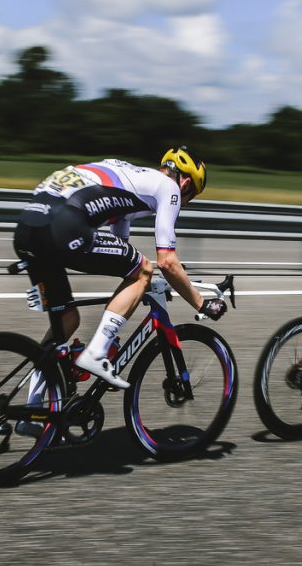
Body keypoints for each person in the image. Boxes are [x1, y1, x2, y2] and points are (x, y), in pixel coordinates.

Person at [13, 147, 226, 389]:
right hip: (63, 226)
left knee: (66, 322)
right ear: (186, 183)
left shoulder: (132, 176)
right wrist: (202, 303)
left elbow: (119, 249)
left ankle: (37, 408)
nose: (187, 202)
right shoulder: (169, 188)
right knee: (144, 269)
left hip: (28, 228)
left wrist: (174, 275)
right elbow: (165, 261)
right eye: (193, 195)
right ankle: (97, 353)